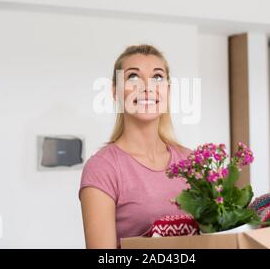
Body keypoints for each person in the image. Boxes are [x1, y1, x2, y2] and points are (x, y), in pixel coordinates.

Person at [79, 44, 192, 248]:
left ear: (168, 90)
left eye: (157, 77)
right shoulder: (103, 168)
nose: (147, 87)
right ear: (115, 92)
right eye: (133, 77)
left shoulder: (192, 162)